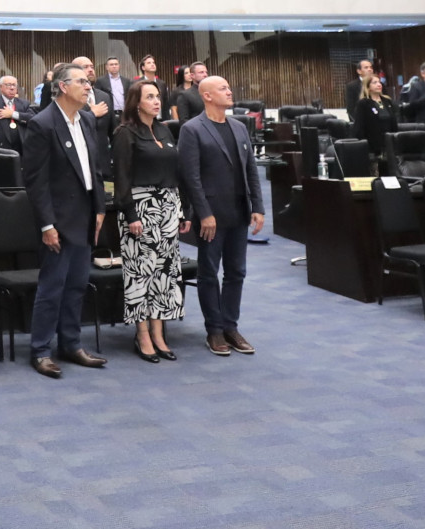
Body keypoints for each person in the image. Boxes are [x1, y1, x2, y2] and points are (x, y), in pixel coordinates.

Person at [21, 62, 106, 379]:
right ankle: (41, 350)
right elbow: (36, 181)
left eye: (88, 81)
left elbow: (94, 168)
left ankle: (71, 343)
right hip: (57, 220)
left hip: (85, 215)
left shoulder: (86, 119)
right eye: (82, 81)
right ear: (62, 86)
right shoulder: (42, 124)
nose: (88, 86)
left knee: (77, 285)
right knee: (52, 287)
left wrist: (99, 208)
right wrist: (46, 225)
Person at [176, 75, 264, 356]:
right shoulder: (192, 129)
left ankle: (230, 326)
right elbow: (190, 177)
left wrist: (258, 207)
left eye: (229, 86)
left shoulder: (239, 127)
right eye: (223, 88)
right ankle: (214, 330)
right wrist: (203, 213)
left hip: (239, 211)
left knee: (237, 271)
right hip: (211, 215)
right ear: (207, 96)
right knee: (209, 273)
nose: (230, 90)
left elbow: (251, 170)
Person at [113, 80, 183, 363]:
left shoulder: (165, 129)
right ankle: (142, 335)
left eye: (158, 96)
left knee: (164, 274)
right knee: (140, 274)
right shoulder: (124, 133)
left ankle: (159, 333)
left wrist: (181, 211)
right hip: (140, 209)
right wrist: (130, 214)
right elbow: (121, 178)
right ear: (136, 102)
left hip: (167, 206)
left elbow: (175, 171)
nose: (157, 101)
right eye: (150, 97)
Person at [351, 74, 396, 162]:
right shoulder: (363, 104)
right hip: (372, 146)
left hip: (389, 144)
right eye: (375, 83)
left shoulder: (387, 101)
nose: (379, 84)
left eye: (379, 82)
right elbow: (359, 127)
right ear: (368, 87)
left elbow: (394, 123)